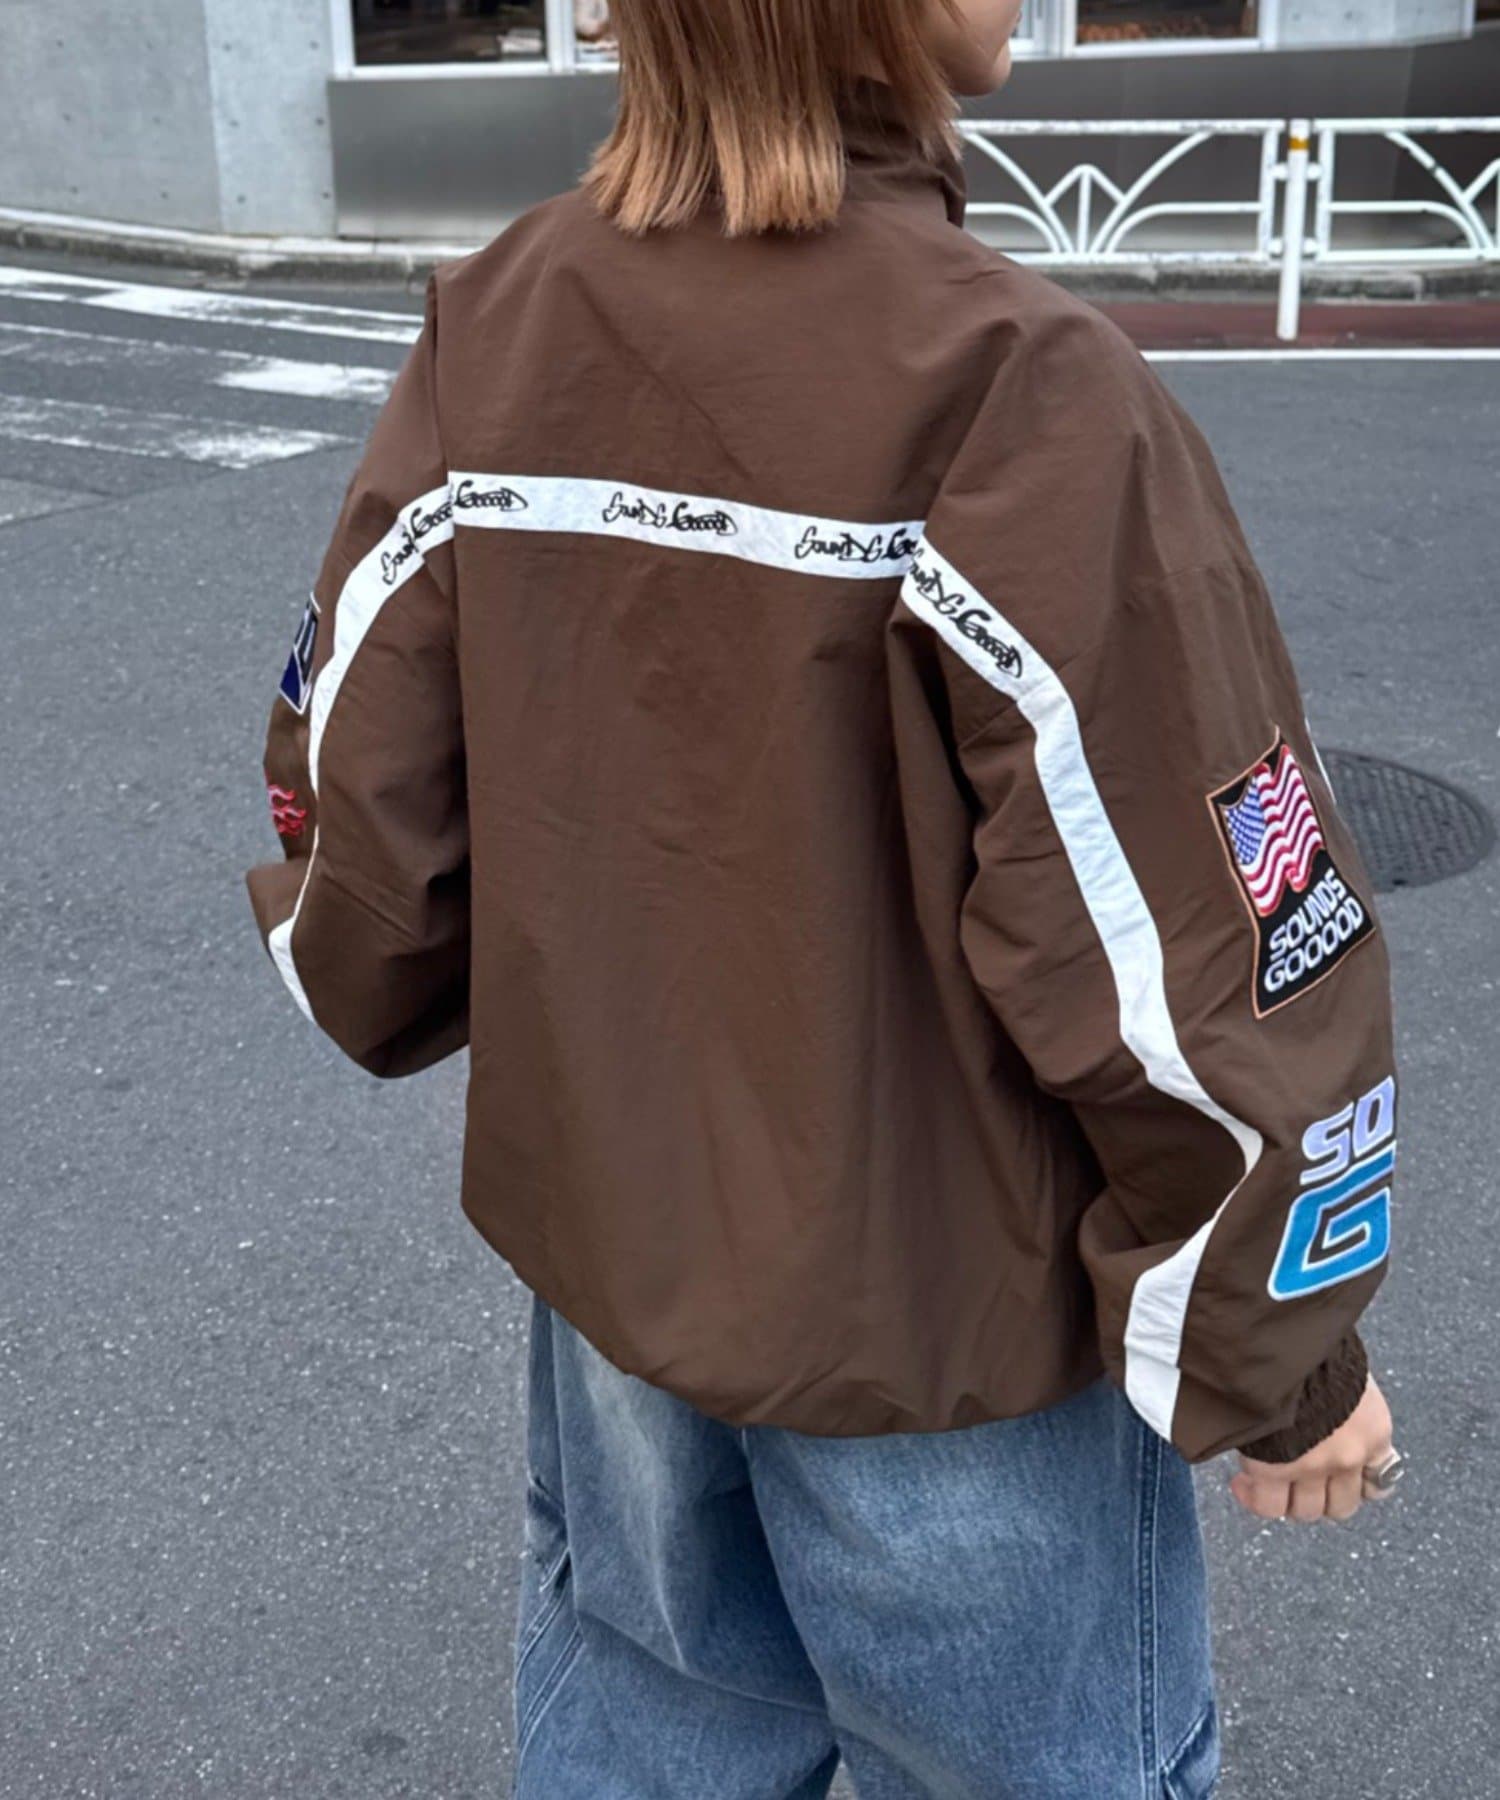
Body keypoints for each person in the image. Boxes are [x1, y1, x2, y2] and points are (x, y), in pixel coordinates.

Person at [246, 1, 1403, 1792]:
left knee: (655, 1741)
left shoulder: (504, 324)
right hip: (957, 1337)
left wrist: (447, 992)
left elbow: (355, 821)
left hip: (620, 1292)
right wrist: (1288, 1358)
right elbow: (1198, 931)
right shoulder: (1016, 383)